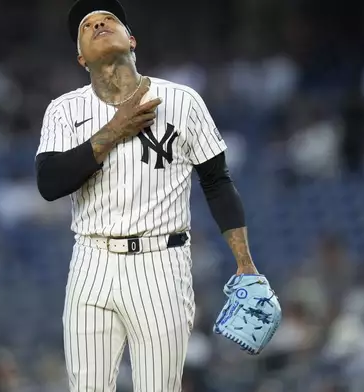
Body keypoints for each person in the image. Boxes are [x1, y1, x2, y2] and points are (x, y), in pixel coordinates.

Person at [34, 0, 263, 390]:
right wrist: (114, 130)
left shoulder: (182, 100)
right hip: (92, 259)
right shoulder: (63, 110)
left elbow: (217, 180)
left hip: (161, 262)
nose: (99, 23)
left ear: (132, 40)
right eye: (87, 25)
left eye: (109, 19)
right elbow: (50, 184)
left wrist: (244, 261)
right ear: (80, 57)